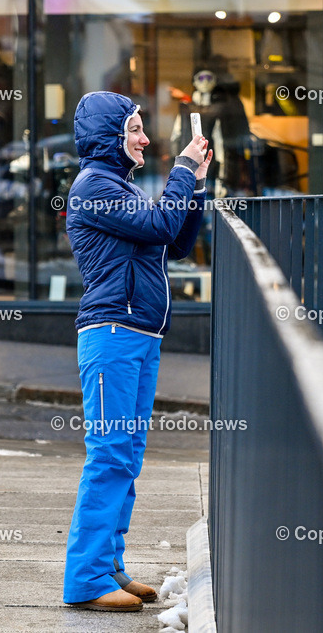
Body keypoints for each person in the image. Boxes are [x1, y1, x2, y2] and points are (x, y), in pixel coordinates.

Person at [63, 91, 211, 612]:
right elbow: (161, 227)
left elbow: (176, 242)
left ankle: (109, 565)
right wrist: (183, 170)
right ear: (110, 138)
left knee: (125, 457)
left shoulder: (114, 185)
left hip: (138, 335)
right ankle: (85, 580)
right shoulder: (95, 187)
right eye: (134, 130)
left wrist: (195, 184)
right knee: (108, 457)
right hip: (112, 336)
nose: (145, 139)